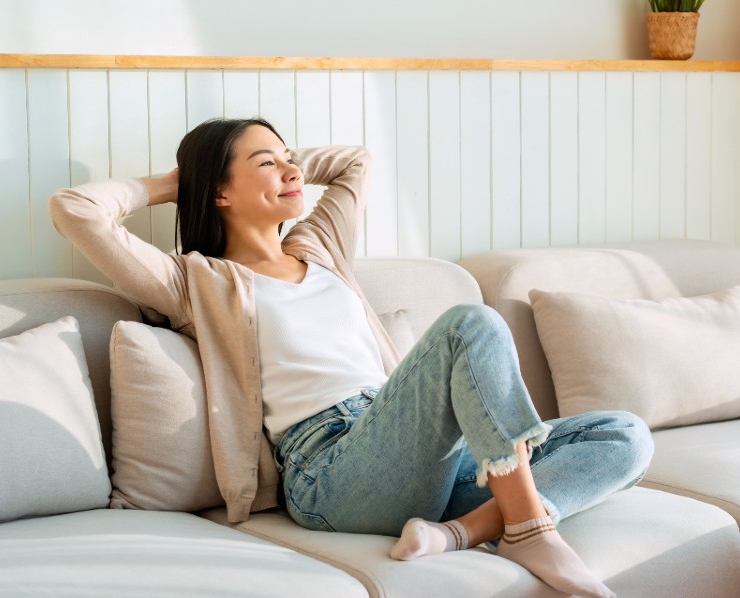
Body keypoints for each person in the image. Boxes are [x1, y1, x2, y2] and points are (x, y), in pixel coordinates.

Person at [50, 117, 652, 598]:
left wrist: (275, 162)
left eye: (290, 159)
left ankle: (460, 533)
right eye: (269, 163)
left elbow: (352, 162)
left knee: (623, 433)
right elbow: (76, 209)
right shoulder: (197, 282)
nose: (292, 170)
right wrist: (173, 183)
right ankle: (529, 529)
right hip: (331, 468)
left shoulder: (319, 246)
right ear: (220, 192)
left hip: (423, 454)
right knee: (470, 324)